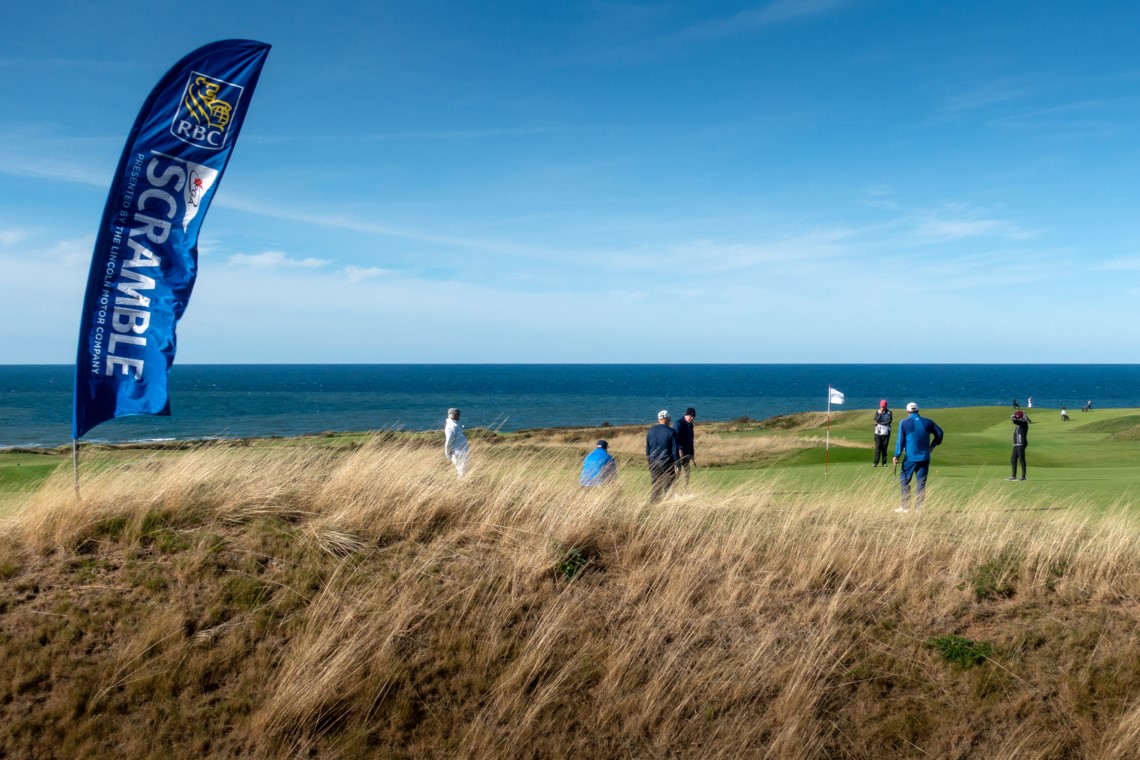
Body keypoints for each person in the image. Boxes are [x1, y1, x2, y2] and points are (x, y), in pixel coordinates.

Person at [892, 402, 944, 513]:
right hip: (924, 458)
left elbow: (900, 441)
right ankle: (919, 509)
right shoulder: (927, 422)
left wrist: (897, 455)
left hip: (910, 458)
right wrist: (933, 445)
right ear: (918, 410)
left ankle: (905, 507)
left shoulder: (904, 423)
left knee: (904, 480)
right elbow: (940, 433)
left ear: (907, 412)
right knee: (921, 483)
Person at [646, 410, 679, 503]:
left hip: (653, 462)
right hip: (666, 462)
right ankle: (668, 506)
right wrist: (677, 464)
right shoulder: (672, 432)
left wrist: (650, 462)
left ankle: (654, 505)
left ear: (659, 419)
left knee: (655, 485)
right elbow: (674, 450)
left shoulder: (650, 431)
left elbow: (648, 449)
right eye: (669, 419)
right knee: (668, 485)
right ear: (667, 419)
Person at [674, 407, 697, 487]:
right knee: (677, 471)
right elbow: (675, 439)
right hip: (678, 453)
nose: (691, 418)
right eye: (690, 416)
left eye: (693, 417)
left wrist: (692, 453)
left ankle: (686, 489)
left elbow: (691, 440)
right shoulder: (678, 424)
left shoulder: (690, 425)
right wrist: (679, 448)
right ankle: (674, 490)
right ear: (686, 415)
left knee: (687, 471)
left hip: (687, 452)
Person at [444, 407, 469, 479]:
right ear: (451, 415)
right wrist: (447, 453)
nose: (459, 415)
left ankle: (462, 485)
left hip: (461, 451)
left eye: (459, 414)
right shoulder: (451, 426)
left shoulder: (454, 424)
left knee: (463, 470)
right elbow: (449, 441)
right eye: (457, 414)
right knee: (462, 471)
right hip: (458, 452)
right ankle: (461, 486)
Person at [1009, 410, 1032, 481]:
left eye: (1018, 417)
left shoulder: (1024, 423)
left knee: (1021, 459)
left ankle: (1023, 476)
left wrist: (1013, 417)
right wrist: (1014, 417)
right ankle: (1013, 476)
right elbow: (1015, 421)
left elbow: (1015, 421)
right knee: (1013, 459)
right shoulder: (1019, 424)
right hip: (1016, 444)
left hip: (1021, 443)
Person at [873, 400, 893, 467]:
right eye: (882, 406)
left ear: (886, 406)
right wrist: (880, 414)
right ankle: (875, 462)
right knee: (878, 447)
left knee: (884, 448)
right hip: (878, 433)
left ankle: (884, 463)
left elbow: (889, 421)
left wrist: (879, 423)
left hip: (886, 432)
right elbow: (876, 420)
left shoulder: (889, 412)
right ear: (880, 405)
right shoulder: (877, 412)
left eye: (884, 406)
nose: (883, 408)